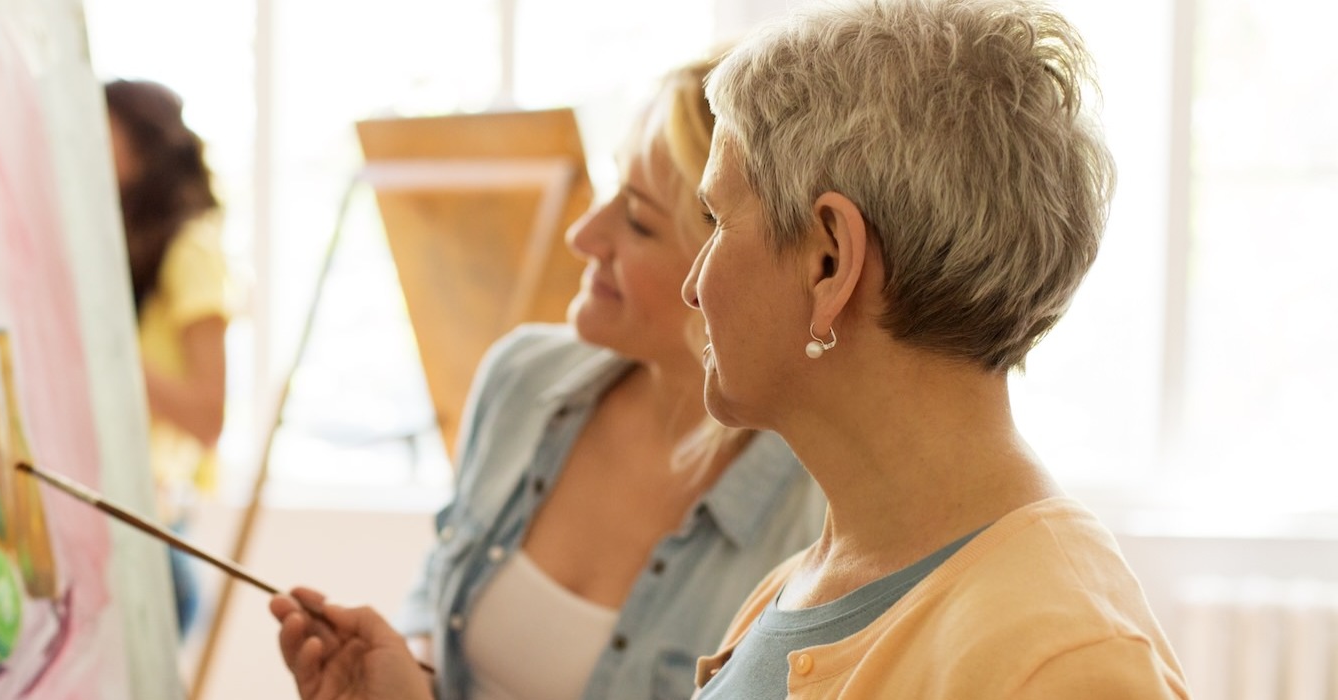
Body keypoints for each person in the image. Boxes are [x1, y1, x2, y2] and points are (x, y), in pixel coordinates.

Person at [267, 0, 1191, 697]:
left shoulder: (1064, 662)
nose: (694, 282)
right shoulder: (817, 578)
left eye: (714, 220)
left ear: (830, 260)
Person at [396, 56, 825, 700]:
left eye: (639, 222)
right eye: (609, 192)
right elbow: (436, 591)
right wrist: (399, 678)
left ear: (733, 270)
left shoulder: (818, 518)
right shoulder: (520, 377)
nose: (582, 235)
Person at [104, 79, 229, 637]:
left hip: (153, 537)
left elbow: (209, 416)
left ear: (139, 144)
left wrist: (108, 354)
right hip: (114, 528)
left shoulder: (192, 248)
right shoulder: (123, 244)